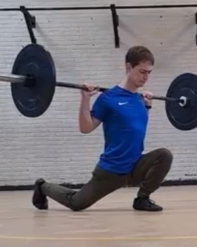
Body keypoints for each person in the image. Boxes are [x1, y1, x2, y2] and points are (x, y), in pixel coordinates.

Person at [32, 45, 173, 212]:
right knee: (76, 203)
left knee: (164, 155)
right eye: (142, 72)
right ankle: (43, 187)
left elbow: (137, 129)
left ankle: (142, 199)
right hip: (111, 170)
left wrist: (147, 107)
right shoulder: (108, 99)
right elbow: (86, 128)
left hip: (134, 165)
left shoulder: (139, 100)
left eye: (149, 72)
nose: (146, 77)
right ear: (128, 67)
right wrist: (85, 99)